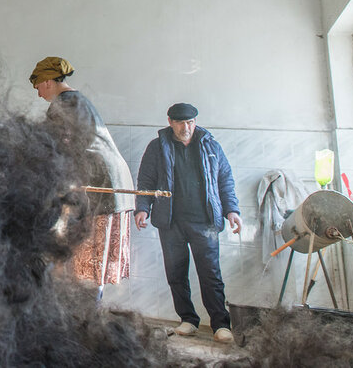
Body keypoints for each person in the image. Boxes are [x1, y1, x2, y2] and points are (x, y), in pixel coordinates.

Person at [134, 103, 242, 343]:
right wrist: (142, 208)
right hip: (170, 221)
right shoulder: (157, 147)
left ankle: (220, 325)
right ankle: (188, 320)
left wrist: (232, 210)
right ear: (170, 122)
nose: (187, 127)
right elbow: (146, 180)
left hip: (205, 222)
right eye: (181, 123)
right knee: (176, 273)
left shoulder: (210, 146)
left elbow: (225, 180)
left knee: (211, 273)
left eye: (191, 122)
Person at [30, 56, 134, 301]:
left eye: (37, 87)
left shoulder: (65, 104)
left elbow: (58, 147)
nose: (38, 94)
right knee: (84, 261)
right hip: (112, 182)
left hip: (101, 183)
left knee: (85, 260)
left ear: (47, 82)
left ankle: (85, 320)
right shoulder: (77, 102)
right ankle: (85, 317)